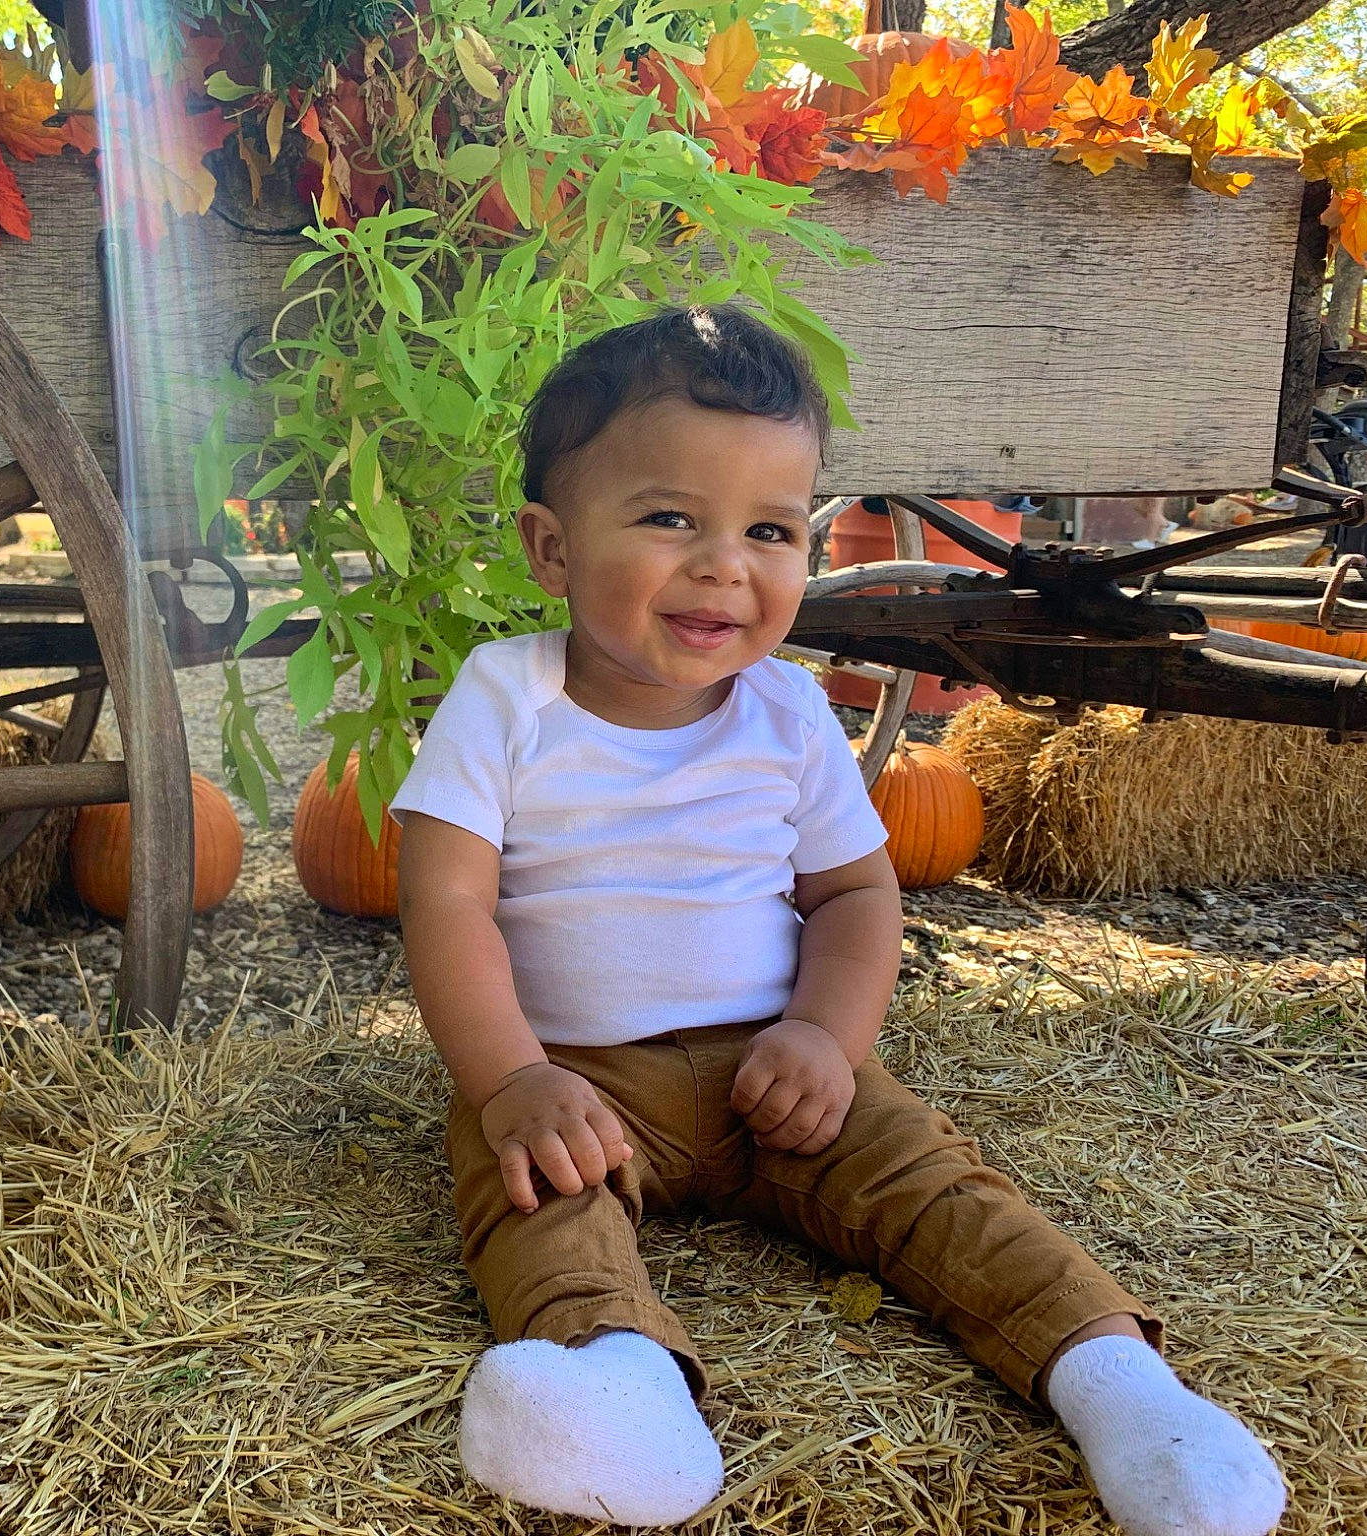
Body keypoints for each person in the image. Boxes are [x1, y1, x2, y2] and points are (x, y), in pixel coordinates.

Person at [390, 306, 1287, 1534]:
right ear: (549, 546)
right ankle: (616, 1382)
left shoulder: (788, 714)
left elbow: (856, 895)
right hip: (577, 1078)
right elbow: (443, 903)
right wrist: (508, 1082)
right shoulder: (506, 699)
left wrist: (827, 1036)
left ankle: (1116, 1384)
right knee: (540, 1204)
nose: (725, 565)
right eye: (669, 519)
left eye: (769, 529)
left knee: (934, 1189)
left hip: (780, 1067)